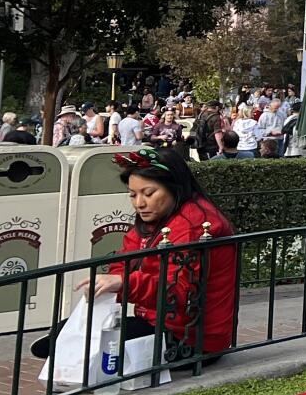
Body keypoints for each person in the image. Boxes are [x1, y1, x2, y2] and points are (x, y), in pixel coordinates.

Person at [71, 147, 238, 365]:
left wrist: (122, 283)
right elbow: (125, 260)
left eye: (148, 194)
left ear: (174, 188)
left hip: (191, 340)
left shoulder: (194, 224)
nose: (139, 203)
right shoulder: (159, 218)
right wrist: (113, 282)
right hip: (162, 326)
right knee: (75, 335)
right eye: (133, 195)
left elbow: (176, 292)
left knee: (85, 345)